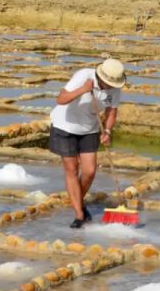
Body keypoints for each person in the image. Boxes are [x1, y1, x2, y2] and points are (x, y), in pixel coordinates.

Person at [48, 58, 126, 228]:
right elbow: (61, 99)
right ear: (101, 77)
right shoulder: (84, 76)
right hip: (65, 125)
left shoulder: (115, 90)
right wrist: (83, 90)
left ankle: (77, 200)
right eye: (108, 83)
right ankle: (79, 214)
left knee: (89, 171)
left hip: (89, 128)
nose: (110, 87)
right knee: (72, 170)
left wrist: (107, 131)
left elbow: (111, 112)